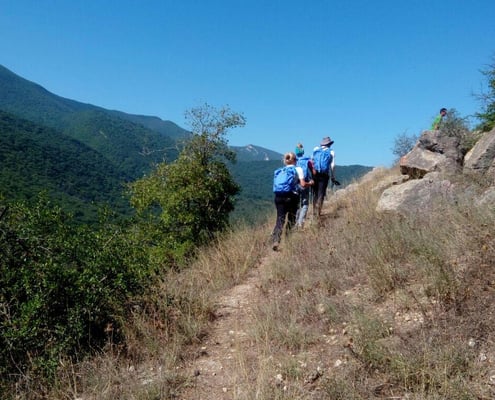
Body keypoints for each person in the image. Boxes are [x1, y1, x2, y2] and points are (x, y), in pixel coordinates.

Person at [271, 151, 313, 251]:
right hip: (291, 197)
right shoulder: (298, 169)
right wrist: (310, 183)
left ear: (285, 161)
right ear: (295, 160)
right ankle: (288, 242)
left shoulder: (279, 171)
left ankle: (276, 240)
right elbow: (303, 184)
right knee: (291, 219)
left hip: (278, 197)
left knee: (280, 219)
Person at [311, 136, 337, 217]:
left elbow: (311, 161)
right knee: (321, 193)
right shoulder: (331, 152)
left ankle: (314, 211)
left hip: (314, 174)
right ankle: (318, 213)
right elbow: (332, 165)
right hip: (324, 175)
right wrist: (333, 176)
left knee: (315, 193)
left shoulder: (315, 149)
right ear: (329, 144)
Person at [294, 143, 313, 228]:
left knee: (297, 204)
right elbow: (313, 171)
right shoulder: (307, 160)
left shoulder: (294, 161)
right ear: (303, 151)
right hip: (305, 183)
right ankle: (301, 222)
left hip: (296, 184)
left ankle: (296, 222)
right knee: (305, 203)